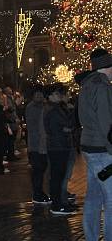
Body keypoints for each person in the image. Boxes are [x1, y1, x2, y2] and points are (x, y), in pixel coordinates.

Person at [78, 48, 112, 241]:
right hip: (103, 151)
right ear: (107, 68)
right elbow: (106, 122)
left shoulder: (86, 85)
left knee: (93, 199)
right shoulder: (102, 87)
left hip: (89, 147)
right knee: (111, 201)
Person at [43, 85, 76, 216]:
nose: (59, 96)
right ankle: (56, 204)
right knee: (57, 175)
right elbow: (66, 125)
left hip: (59, 145)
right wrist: (66, 128)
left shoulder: (56, 108)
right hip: (58, 146)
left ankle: (58, 203)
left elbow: (67, 126)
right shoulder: (52, 110)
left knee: (58, 175)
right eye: (56, 94)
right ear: (50, 96)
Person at [25, 87, 50, 204]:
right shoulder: (32, 108)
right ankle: (37, 193)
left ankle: (40, 192)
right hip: (35, 144)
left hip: (41, 143)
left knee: (41, 168)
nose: (39, 97)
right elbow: (34, 127)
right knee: (38, 169)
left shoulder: (43, 106)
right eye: (37, 95)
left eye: (41, 94)